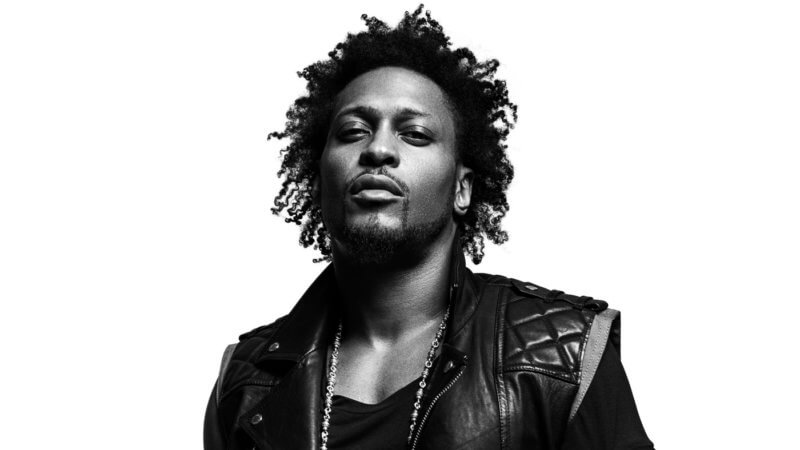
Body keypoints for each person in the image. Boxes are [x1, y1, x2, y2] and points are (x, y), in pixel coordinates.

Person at [204, 6, 653, 450]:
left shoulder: (565, 355)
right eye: (353, 131)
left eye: (415, 134)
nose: (378, 149)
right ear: (319, 180)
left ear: (462, 189)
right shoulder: (245, 381)